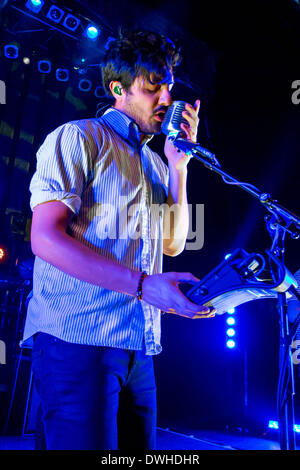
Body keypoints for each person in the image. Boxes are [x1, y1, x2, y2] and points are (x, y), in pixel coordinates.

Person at [21, 30, 215, 450]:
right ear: (117, 89)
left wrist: (179, 168)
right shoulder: (79, 137)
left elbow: (173, 244)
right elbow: (45, 239)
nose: (165, 97)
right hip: (78, 339)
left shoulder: (155, 164)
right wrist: (145, 285)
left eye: (168, 86)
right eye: (152, 85)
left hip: (137, 345)